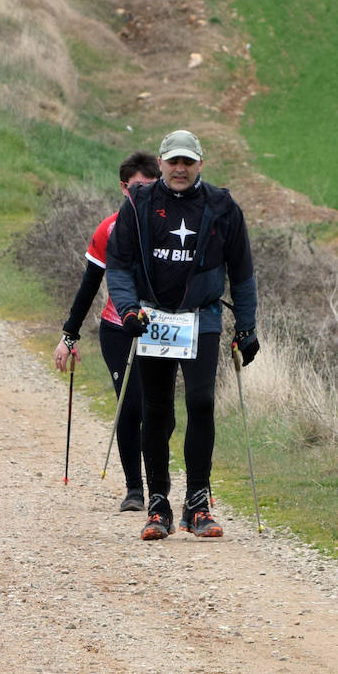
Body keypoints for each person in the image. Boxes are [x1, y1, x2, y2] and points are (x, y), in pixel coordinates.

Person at [105, 129, 258, 542]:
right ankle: (158, 503)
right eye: (173, 161)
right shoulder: (138, 204)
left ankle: (198, 502)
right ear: (161, 164)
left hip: (201, 318)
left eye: (188, 162)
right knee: (156, 411)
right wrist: (128, 309)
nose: (180, 168)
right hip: (153, 319)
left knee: (202, 402)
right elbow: (117, 265)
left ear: (200, 165)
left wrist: (247, 327)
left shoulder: (223, 207)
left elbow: (242, 273)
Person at [53, 151, 161, 512]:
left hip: (164, 331)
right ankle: (135, 489)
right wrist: (69, 336)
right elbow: (89, 285)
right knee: (129, 408)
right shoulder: (110, 228)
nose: (144, 194)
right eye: (136, 188)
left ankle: (159, 483)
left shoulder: (171, 225)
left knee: (162, 414)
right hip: (118, 329)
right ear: (123, 188)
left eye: (151, 186)